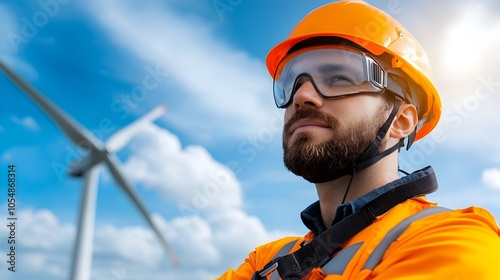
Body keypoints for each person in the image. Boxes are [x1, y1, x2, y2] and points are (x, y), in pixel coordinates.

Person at [217, 1, 500, 279]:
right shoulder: (266, 261)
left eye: (339, 78)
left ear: (401, 121)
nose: (301, 97)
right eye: (292, 84)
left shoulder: (453, 241)